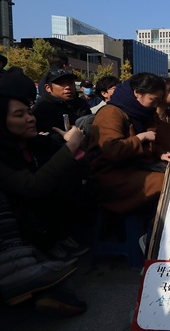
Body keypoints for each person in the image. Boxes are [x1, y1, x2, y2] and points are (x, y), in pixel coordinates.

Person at [0, 67, 89, 264]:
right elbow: (33, 187)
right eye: (19, 115)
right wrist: (70, 147)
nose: (30, 118)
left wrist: (70, 147)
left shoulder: (35, 144)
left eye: (29, 111)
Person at [87, 73, 170, 214]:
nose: (156, 105)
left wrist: (161, 153)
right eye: (153, 100)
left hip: (134, 168)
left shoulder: (143, 113)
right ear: (137, 93)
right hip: (112, 175)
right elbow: (112, 149)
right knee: (166, 182)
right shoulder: (111, 113)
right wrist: (140, 138)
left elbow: (151, 144)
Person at [32, 68, 91, 135]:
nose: (68, 87)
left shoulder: (81, 104)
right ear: (48, 88)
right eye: (61, 83)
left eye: (70, 83)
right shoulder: (42, 108)